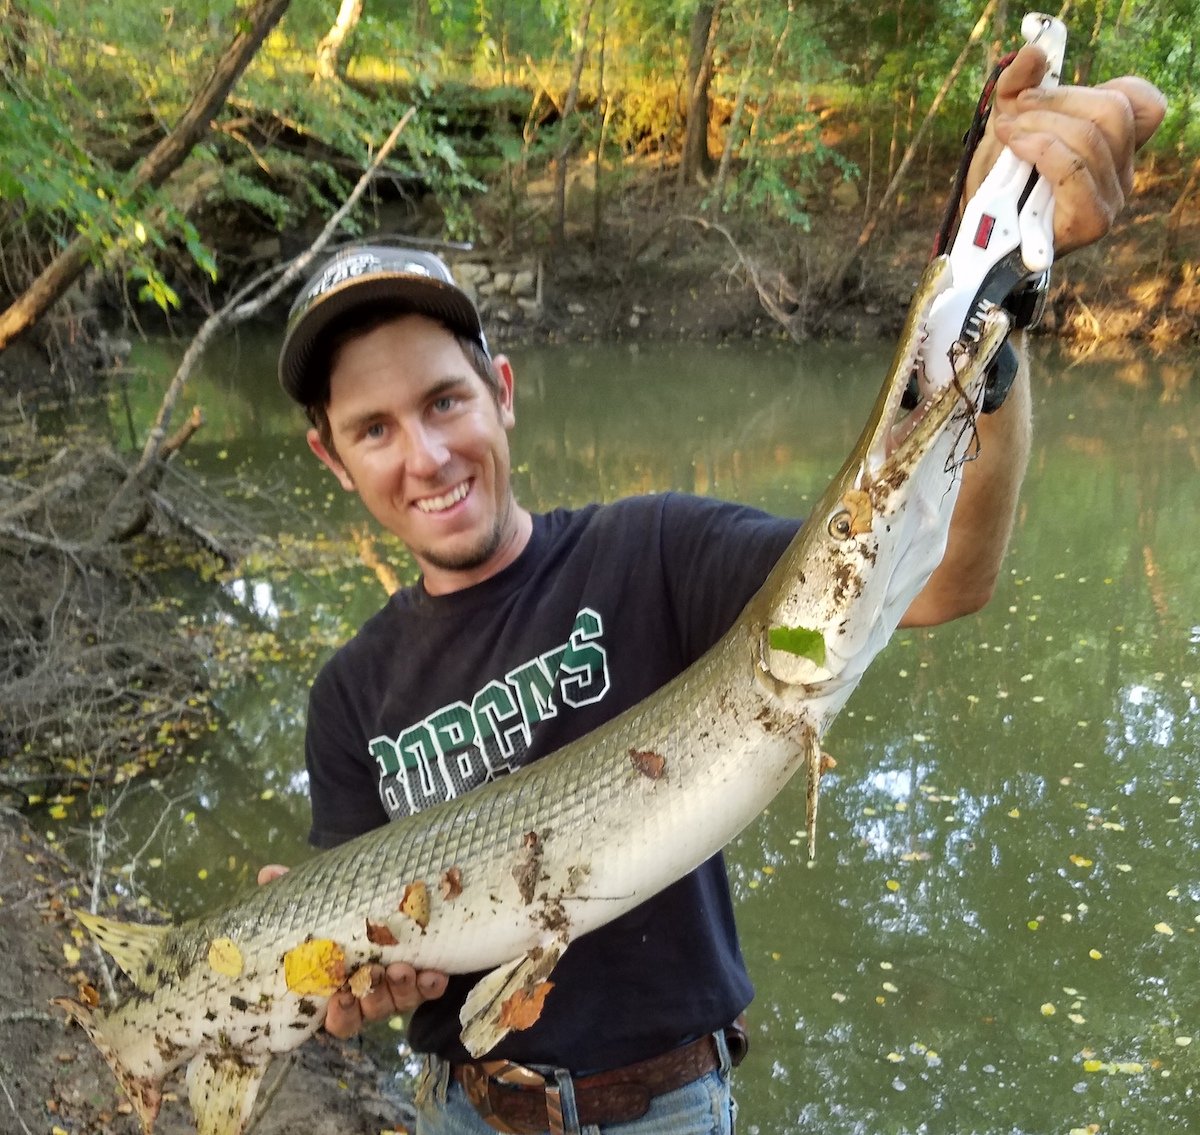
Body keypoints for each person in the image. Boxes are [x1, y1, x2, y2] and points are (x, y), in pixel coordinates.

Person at [262, 46, 1165, 1135]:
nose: (425, 454)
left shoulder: (654, 551)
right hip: (466, 1109)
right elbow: (349, 982)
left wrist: (989, 336)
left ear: (502, 395)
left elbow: (944, 578)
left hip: (667, 1108)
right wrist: (352, 989)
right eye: (374, 429)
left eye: (445, 402)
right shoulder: (350, 693)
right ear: (332, 458)